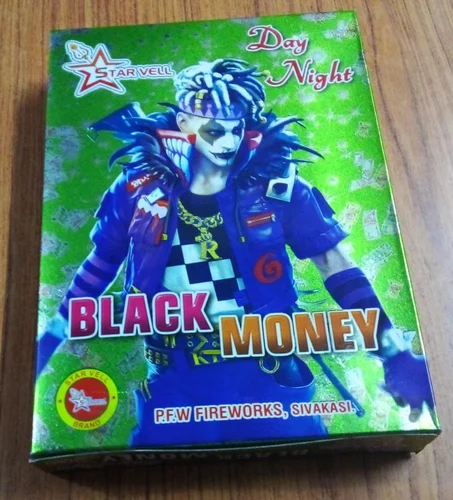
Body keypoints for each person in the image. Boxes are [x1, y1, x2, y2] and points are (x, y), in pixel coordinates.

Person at [37, 59, 433, 446]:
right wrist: (45, 346)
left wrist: (395, 355)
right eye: (214, 131)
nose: (228, 143)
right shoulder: (138, 188)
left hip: (269, 374)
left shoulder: (277, 186)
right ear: (184, 125)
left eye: (236, 130)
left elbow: (335, 265)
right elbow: (100, 265)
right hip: (175, 381)